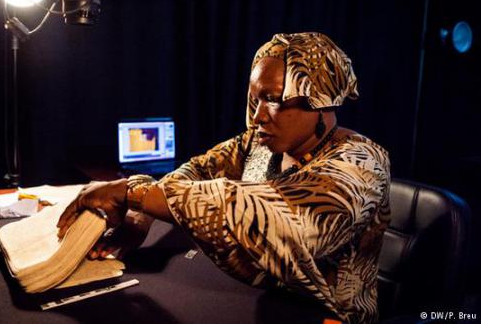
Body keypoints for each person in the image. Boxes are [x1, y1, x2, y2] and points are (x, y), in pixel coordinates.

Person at [57, 32, 390, 324]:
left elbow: (266, 218)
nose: (258, 116)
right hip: (252, 300)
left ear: (321, 100)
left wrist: (132, 194)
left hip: (322, 315)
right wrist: (142, 214)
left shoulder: (362, 163)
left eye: (274, 100)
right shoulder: (258, 143)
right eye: (255, 98)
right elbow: (197, 171)